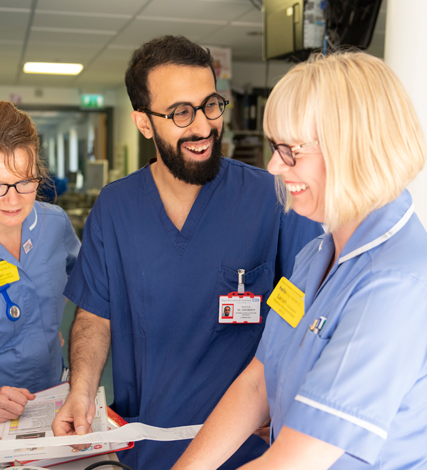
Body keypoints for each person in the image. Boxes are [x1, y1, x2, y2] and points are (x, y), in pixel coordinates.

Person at [51, 35, 322, 470]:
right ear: (144, 123)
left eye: (210, 105)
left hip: (250, 449)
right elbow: (95, 315)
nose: (202, 126)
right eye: (180, 112)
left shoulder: (272, 197)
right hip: (147, 445)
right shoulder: (116, 208)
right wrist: (81, 390)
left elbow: (309, 309)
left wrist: (289, 399)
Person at [171, 51, 427, 470]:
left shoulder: (396, 285)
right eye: (276, 148)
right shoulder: (315, 255)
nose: (274, 166)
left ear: (352, 150)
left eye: (291, 151)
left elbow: (295, 462)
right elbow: (259, 380)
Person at [0, 101, 80, 423]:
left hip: (54, 398)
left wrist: (63, 329)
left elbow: (88, 281)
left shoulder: (54, 224)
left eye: (25, 181)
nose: (13, 200)